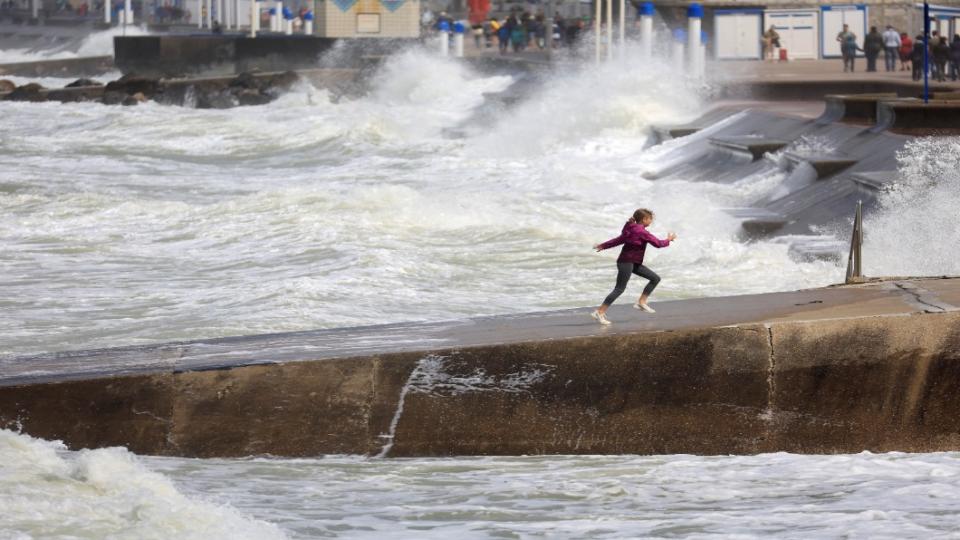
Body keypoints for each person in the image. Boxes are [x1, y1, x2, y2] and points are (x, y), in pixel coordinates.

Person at [590, 209, 676, 325]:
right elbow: (658, 244)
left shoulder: (630, 228)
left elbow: (619, 240)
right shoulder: (642, 232)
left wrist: (603, 246)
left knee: (655, 278)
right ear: (645, 219)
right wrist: (668, 240)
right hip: (626, 262)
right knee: (619, 289)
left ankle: (641, 302)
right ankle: (599, 312)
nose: (651, 221)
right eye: (650, 219)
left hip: (633, 262)